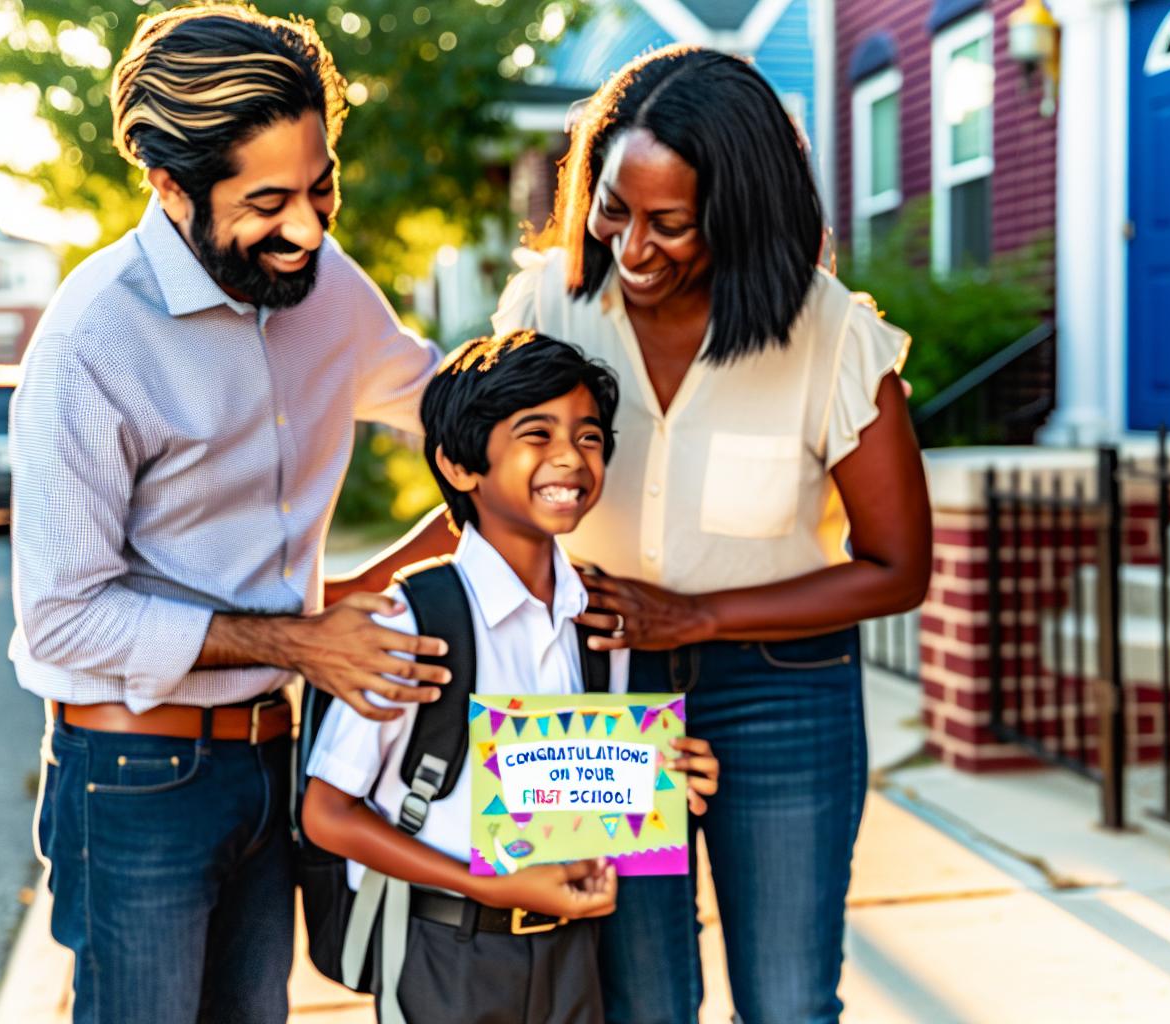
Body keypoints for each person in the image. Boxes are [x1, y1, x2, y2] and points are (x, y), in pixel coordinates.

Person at [335, 43, 933, 1023]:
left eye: (670, 224)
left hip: (781, 692)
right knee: (638, 1001)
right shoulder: (548, 303)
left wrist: (696, 615)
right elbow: (497, 492)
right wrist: (348, 595)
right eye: (615, 208)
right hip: (588, 690)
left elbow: (897, 567)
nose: (632, 248)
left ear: (737, 216)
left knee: (787, 1001)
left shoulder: (828, 333)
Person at [8, 6, 451, 1022]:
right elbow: (65, 616)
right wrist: (306, 641)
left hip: (270, 758)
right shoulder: (93, 337)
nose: (305, 227)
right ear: (169, 187)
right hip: (132, 776)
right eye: (267, 202)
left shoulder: (326, 284)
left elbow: (448, 412)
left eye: (321, 186)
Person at [301, 331, 721, 1024]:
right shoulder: (415, 622)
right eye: (537, 433)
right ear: (461, 465)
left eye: (589, 436)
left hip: (570, 950)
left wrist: (666, 782)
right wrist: (487, 886)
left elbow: (580, 799)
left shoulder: (598, 622)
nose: (571, 457)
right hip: (443, 950)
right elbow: (327, 814)